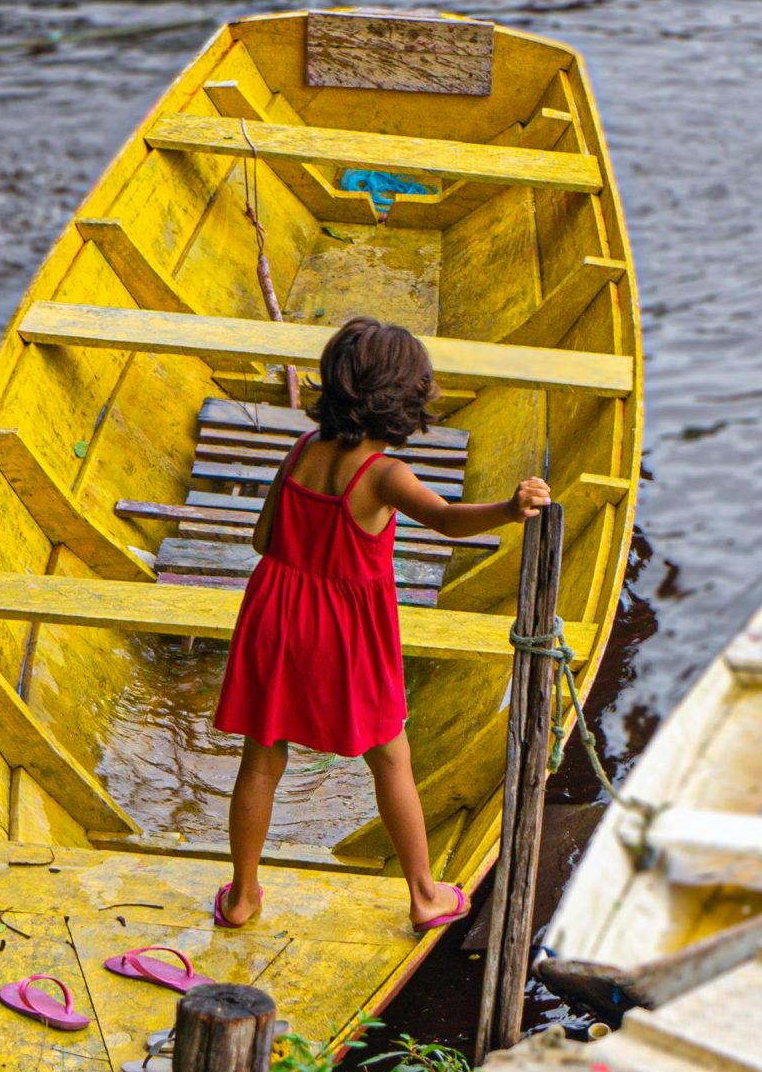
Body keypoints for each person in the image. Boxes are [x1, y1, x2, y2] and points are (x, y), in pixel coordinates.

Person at [210, 317, 549, 934]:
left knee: (261, 759)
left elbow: (264, 538)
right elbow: (446, 521)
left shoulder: (301, 451)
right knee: (389, 755)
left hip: (275, 612)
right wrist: (510, 508)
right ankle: (424, 895)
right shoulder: (385, 474)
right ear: (403, 400)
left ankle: (241, 896)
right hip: (346, 632)